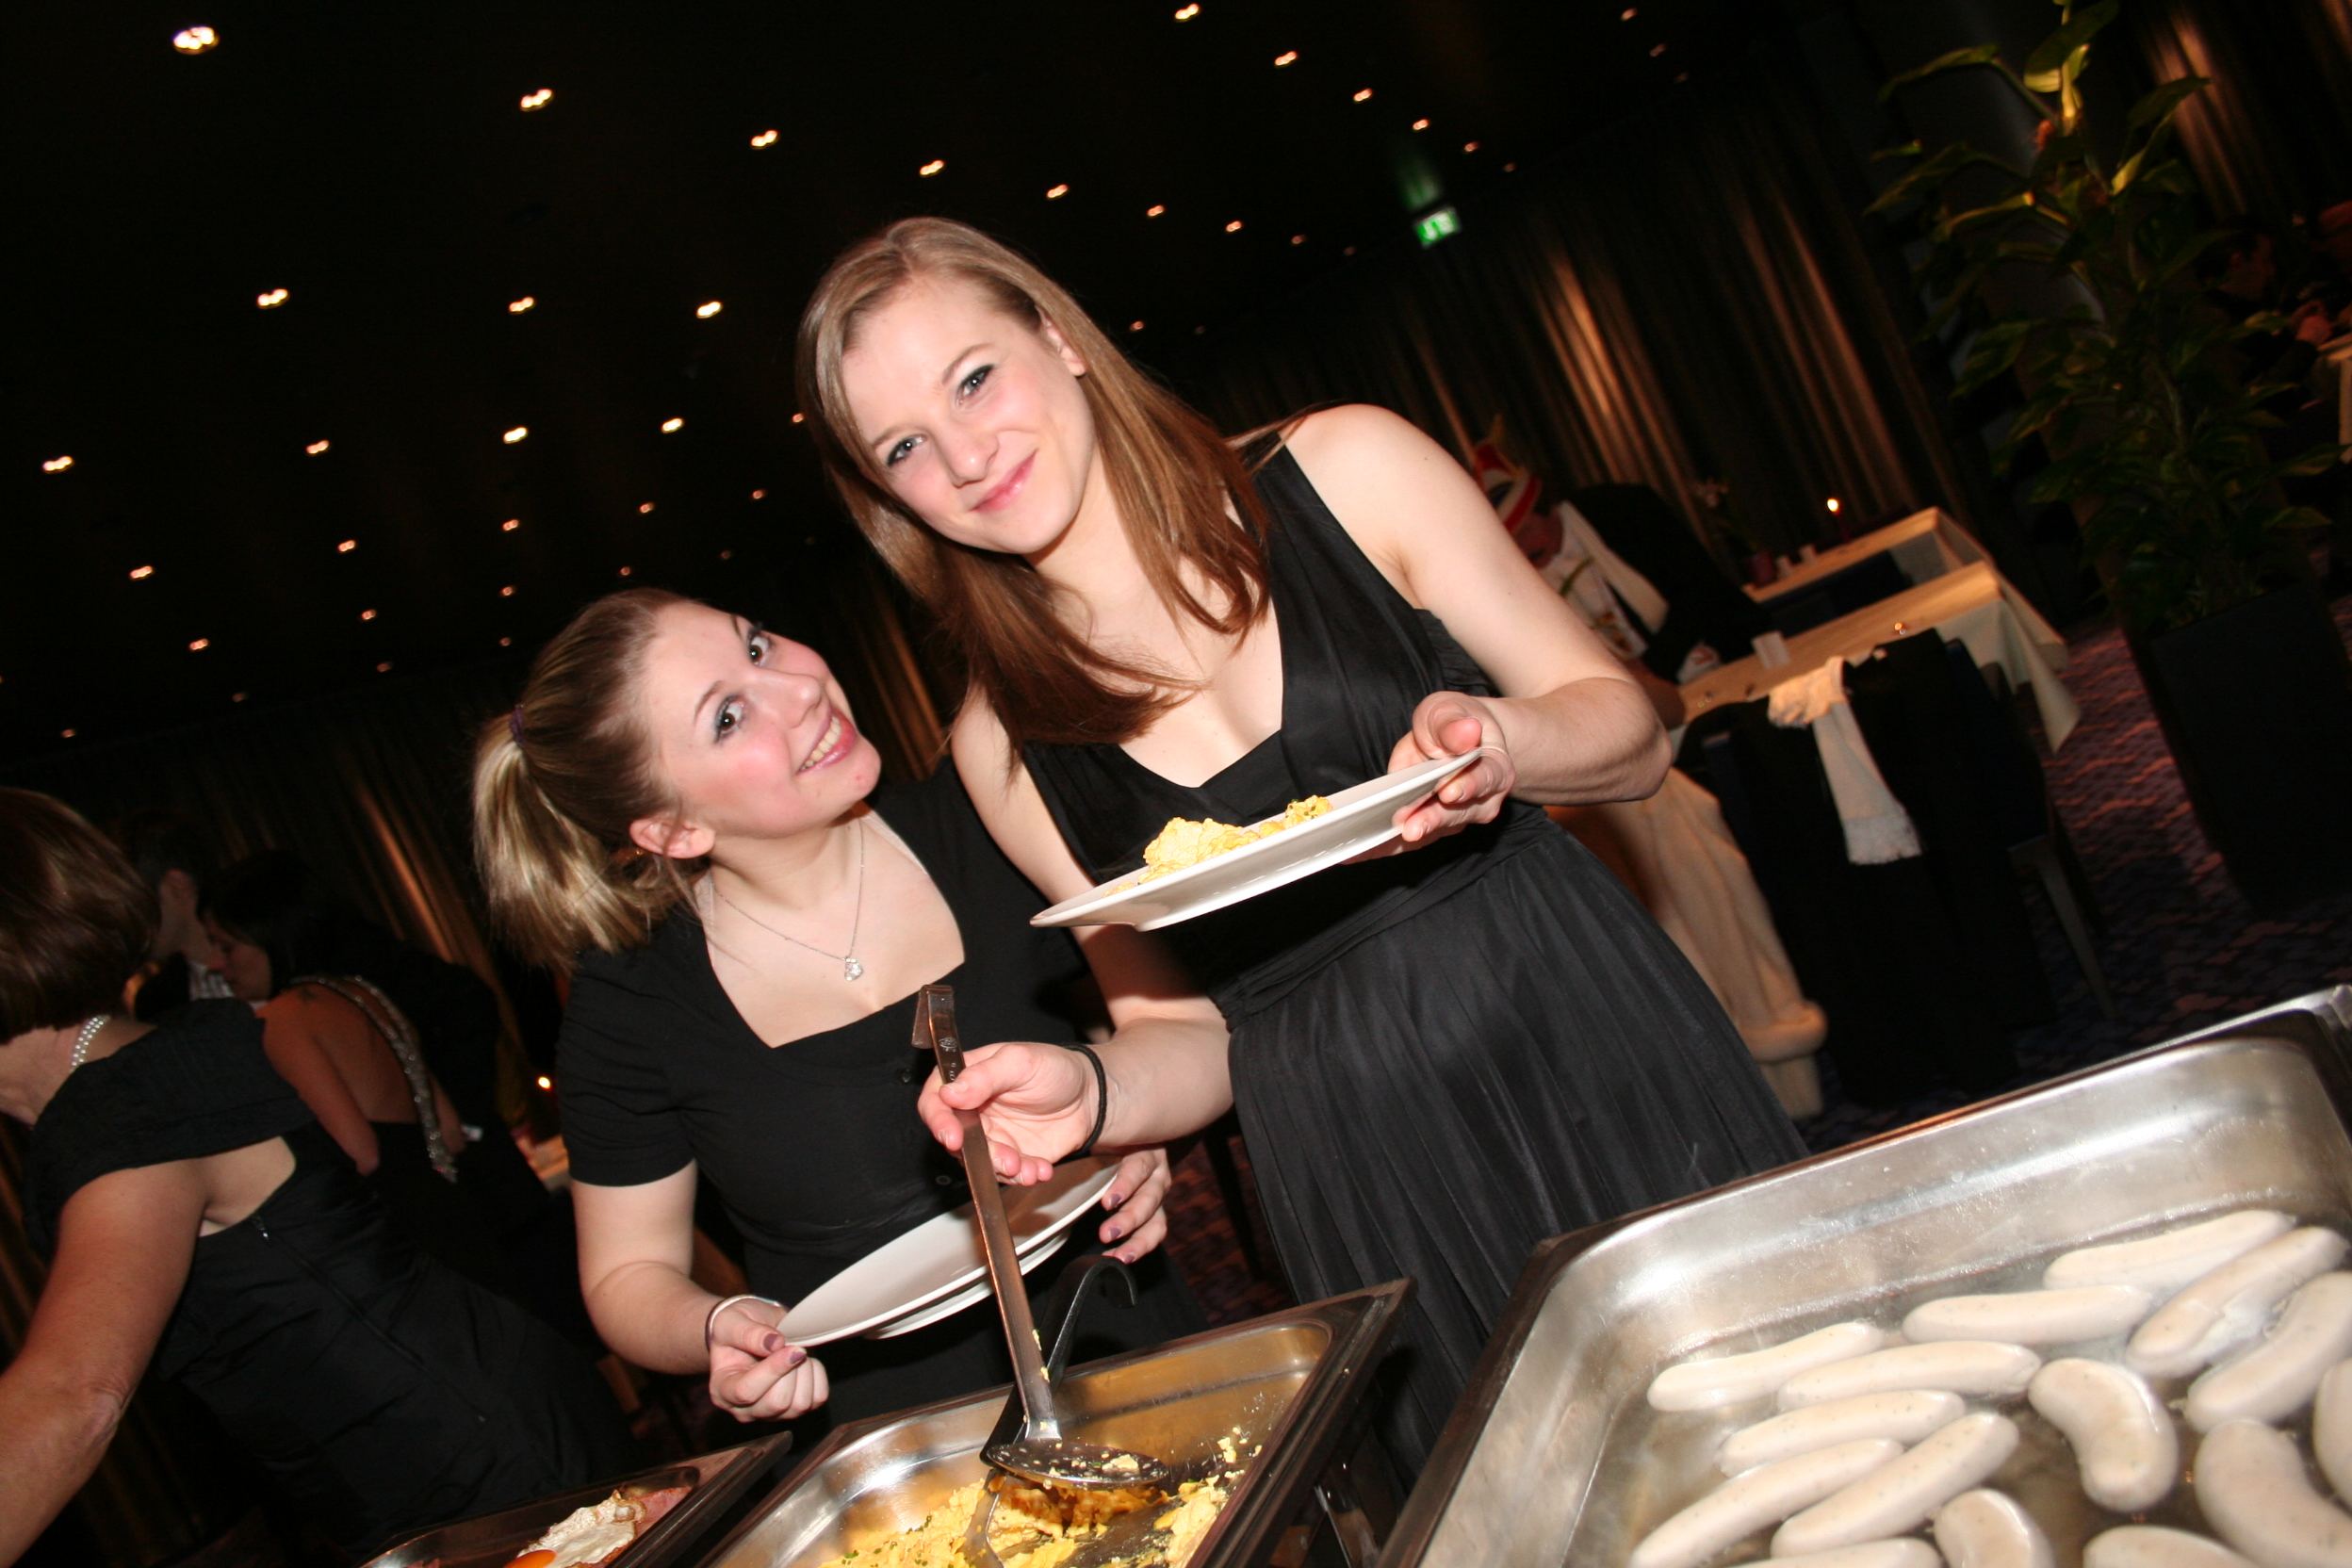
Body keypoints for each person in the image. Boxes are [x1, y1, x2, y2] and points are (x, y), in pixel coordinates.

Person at [795, 217, 1805, 1471]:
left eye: (974, 378)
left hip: (1576, 1018)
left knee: (1792, 1419)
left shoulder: (1347, 470)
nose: (964, 454)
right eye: (903, 446)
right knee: (1525, 1495)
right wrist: (1094, 1093)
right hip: (1356, 1159)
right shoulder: (1001, 748)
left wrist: (1504, 739)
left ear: (1058, 338)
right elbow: (1189, 1033)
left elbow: (1631, 732)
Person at [469, 589, 1198, 1437]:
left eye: (756, 645)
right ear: (672, 830)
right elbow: (626, 1274)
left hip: (1126, 1342)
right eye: (729, 716)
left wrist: (1124, 1111)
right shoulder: (632, 1002)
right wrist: (715, 1327)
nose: (799, 688)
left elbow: (1173, 1032)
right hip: (895, 1438)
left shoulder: (987, 819)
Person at [0, 790, 634, 1563]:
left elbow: (74, 1395)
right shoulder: (145, 1070)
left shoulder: (132, 1111)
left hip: (481, 1461)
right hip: (447, 1443)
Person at [115, 808, 235, 1021]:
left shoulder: (272, 950)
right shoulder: (155, 1001)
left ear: (177, 885)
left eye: (132, 904)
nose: (123, 921)